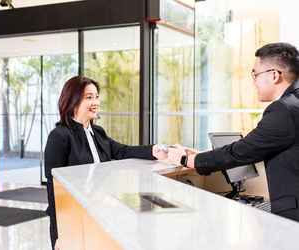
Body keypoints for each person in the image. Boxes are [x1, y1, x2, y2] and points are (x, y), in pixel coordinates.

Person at [167, 42, 299, 222]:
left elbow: (243, 151)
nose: (254, 82)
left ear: (274, 75)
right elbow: (265, 147)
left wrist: (187, 160)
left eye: (255, 74)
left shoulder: (283, 110)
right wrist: (202, 155)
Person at [44, 76, 167, 249]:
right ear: (72, 100)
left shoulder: (97, 132)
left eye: (96, 96)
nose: (95, 102)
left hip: (100, 213)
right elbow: (54, 188)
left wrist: (155, 151)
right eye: (89, 97)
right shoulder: (59, 136)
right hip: (74, 217)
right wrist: (59, 234)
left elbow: (122, 151)